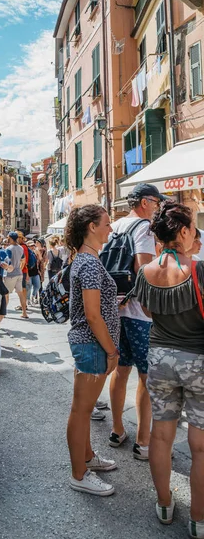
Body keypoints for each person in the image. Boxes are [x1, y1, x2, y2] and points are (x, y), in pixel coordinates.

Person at [133, 202, 204, 534]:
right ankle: (199, 520)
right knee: (200, 445)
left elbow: (148, 312)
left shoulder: (145, 272)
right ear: (185, 231)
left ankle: (164, 504)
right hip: (197, 361)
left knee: (160, 436)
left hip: (159, 358)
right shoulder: (198, 271)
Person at [66, 205, 120, 496]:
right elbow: (92, 315)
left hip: (90, 343)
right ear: (91, 226)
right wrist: (112, 351)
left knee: (84, 410)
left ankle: (87, 458)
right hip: (92, 343)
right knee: (81, 409)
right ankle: (79, 474)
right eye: (107, 224)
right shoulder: (88, 262)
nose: (110, 229)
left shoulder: (88, 260)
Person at [109, 183, 164, 460]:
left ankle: (117, 429)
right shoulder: (144, 227)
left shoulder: (116, 225)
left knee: (121, 370)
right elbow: (143, 268)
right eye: (155, 202)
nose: (157, 207)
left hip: (116, 308)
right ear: (144, 202)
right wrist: (151, 307)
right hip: (137, 313)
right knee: (146, 376)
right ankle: (144, 442)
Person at [4, 232, 27, 319]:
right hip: (19, 272)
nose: (7, 239)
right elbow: (23, 260)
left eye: (8, 237)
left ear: (10, 238)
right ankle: (24, 313)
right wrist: (20, 268)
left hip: (10, 274)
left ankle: (4, 312)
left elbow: (7, 261)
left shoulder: (9, 249)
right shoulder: (21, 248)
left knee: (6, 294)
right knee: (20, 294)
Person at [26, 241, 40, 305]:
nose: (32, 247)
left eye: (33, 246)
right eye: (31, 246)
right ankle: (28, 299)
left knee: (37, 286)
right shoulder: (26, 253)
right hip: (29, 273)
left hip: (35, 272)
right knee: (29, 287)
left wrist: (38, 253)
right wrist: (26, 274)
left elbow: (40, 259)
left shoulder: (34, 253)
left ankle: (33, 296)